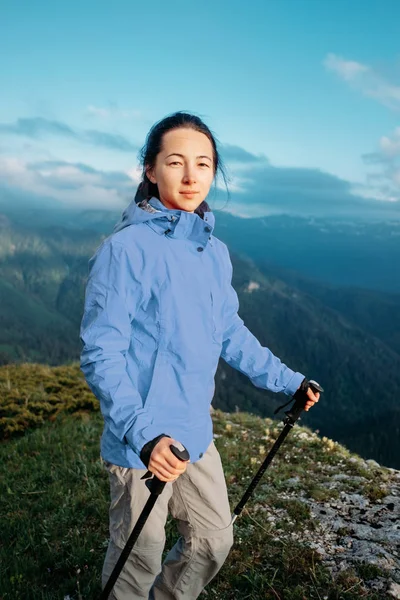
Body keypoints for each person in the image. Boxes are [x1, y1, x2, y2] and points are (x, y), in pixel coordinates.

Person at [79, 111, 320, 600]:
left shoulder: (214, 252)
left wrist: (288, 381)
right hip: (140, 444)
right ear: (150, 170)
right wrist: (144, 436)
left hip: (194, 434)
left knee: (213, 540)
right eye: (176, 162)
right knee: (138, 557)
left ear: (214, 172)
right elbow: (101, 353)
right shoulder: (125, 250)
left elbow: (228, 330)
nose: (191, 176)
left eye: (204, 164)